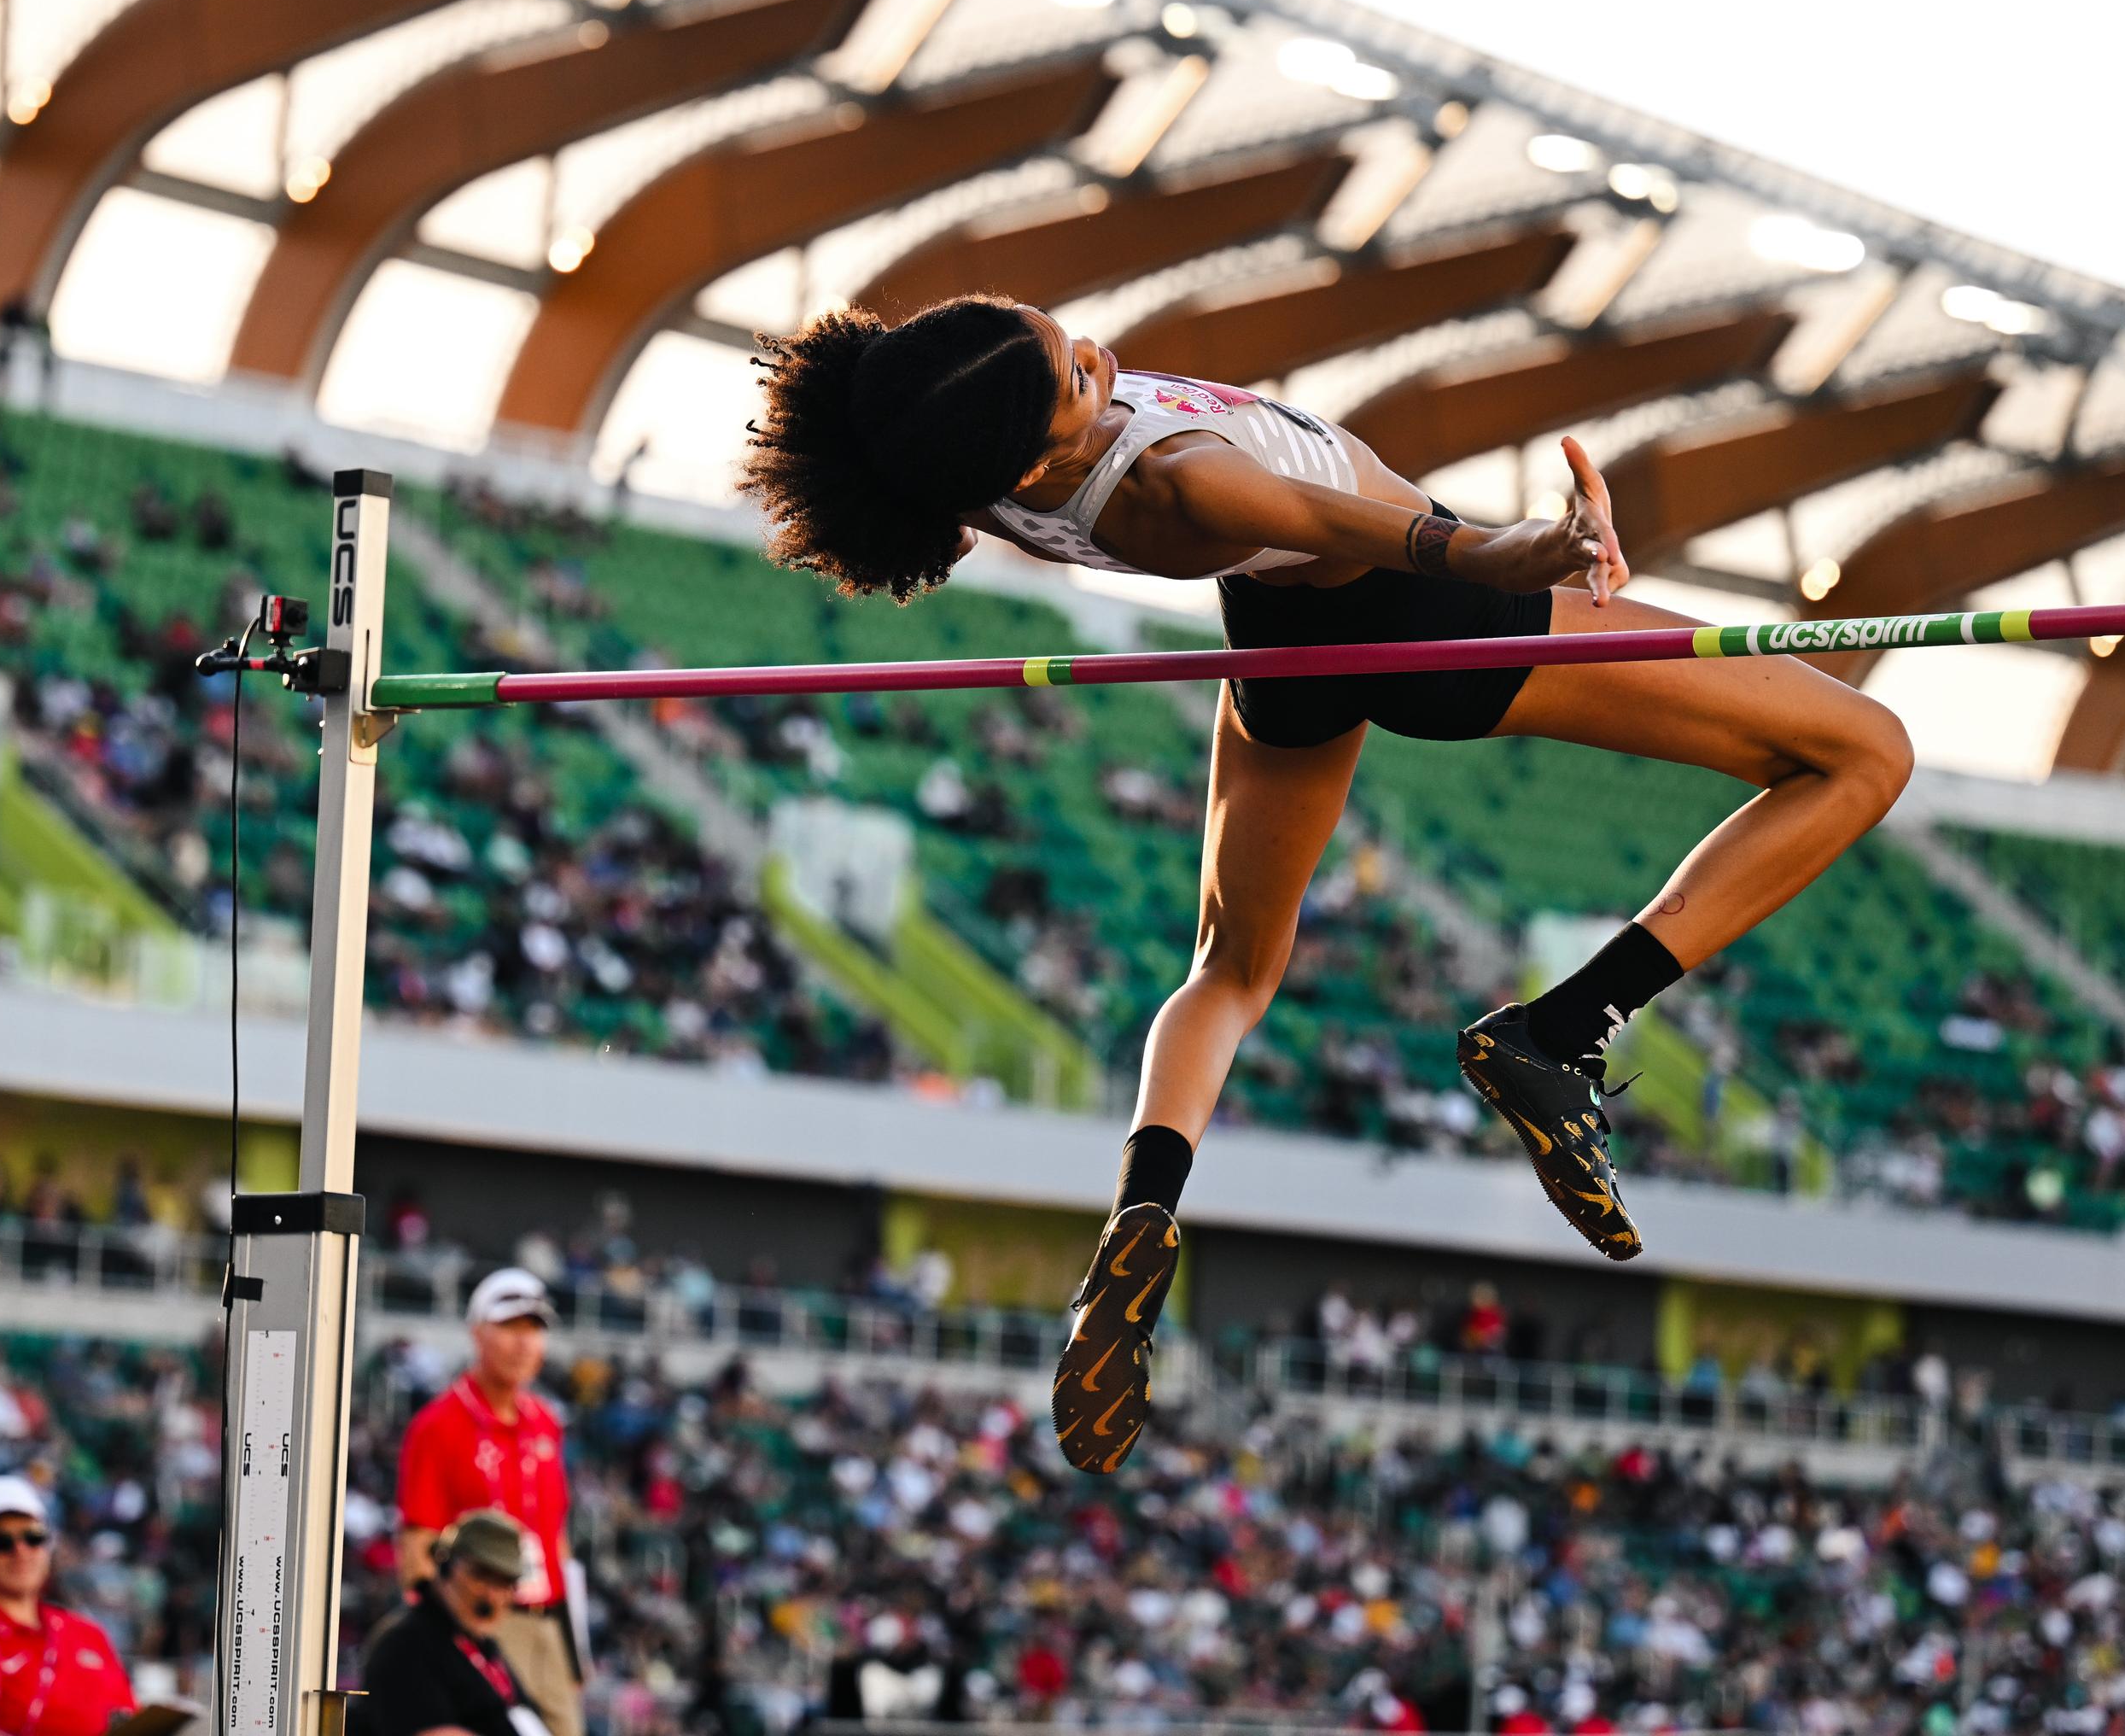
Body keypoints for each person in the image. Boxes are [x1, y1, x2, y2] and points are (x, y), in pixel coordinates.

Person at [740, 297, 1912, 1472]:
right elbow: (1432, 548)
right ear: (1041, 451)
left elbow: (921, 397)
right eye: (1080, 381)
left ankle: (1143, 1207)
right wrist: (1545, 548)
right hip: (1437, 627)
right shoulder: (1187, 484)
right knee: (1865, 752)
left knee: (1233, 968)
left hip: (1283, 648)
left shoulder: (949, 450)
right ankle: (1562, 1028)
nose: (1101, 354)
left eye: (1064, 335)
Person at [395, 1270, 582, 1736]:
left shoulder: (545, 1422)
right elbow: (418, 1543)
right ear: (476, 1331)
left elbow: (556, 1540)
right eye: (510, 1328)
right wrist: (443, 1640)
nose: (523, 1344)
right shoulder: (439, 1424)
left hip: (546, 1623)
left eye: (534, 1329)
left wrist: (574, 1646)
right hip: (482, 1620)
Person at [0, 1476, 138, 1736]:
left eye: (33, 1537)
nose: (21, 1551)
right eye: (1, 1541)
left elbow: (128, 1717)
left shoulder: (88, 1635)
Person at [353, 1511, 553, 1736]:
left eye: (505, 1583)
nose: (493, 1596)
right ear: (446, 1565)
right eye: (482, 1576)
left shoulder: (482, 1645)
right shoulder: (406, 1644)